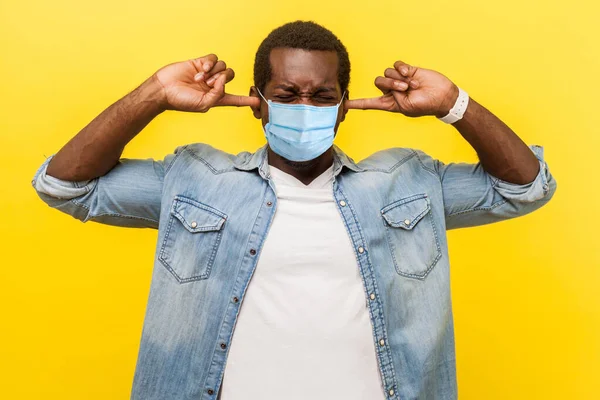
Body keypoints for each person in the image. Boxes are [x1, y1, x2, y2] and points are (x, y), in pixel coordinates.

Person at [32, 20, 556, 400]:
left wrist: (453, 105)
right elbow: (64, 186)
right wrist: (154, 95)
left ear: (345, 103)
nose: (304, 106)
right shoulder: (195, 178)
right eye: (287, 92)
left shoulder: (406, 183)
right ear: (257, 98)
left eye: (322, 94)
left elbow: (525, 188)